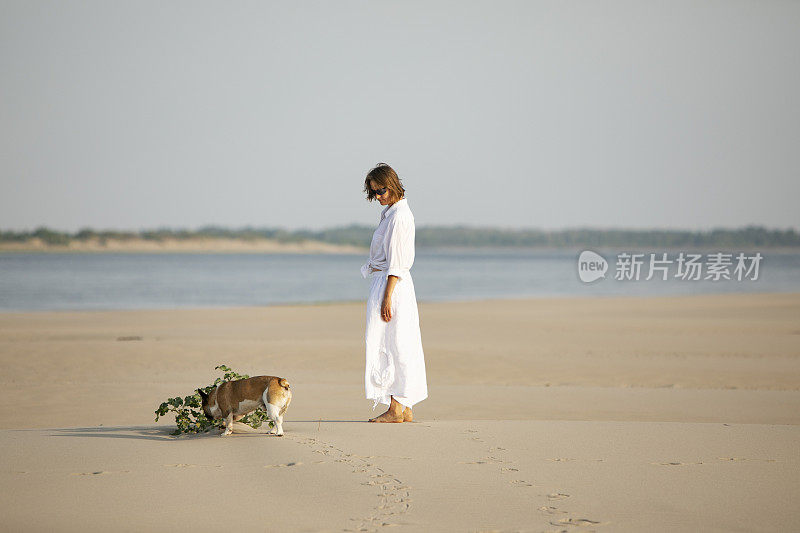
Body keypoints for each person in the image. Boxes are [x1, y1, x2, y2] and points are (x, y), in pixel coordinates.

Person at [360, 163, 428, 423]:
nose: (378, 197)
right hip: (388, 283)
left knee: (393, 343)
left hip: (393, 285)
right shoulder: (391, 213)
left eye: (382, 190)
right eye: (374, 193)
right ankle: (404, 406)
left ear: (394, 185)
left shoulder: (400, 217)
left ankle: (395, 408)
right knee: (394, 342)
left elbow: (397, 262)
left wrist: (387, 296)